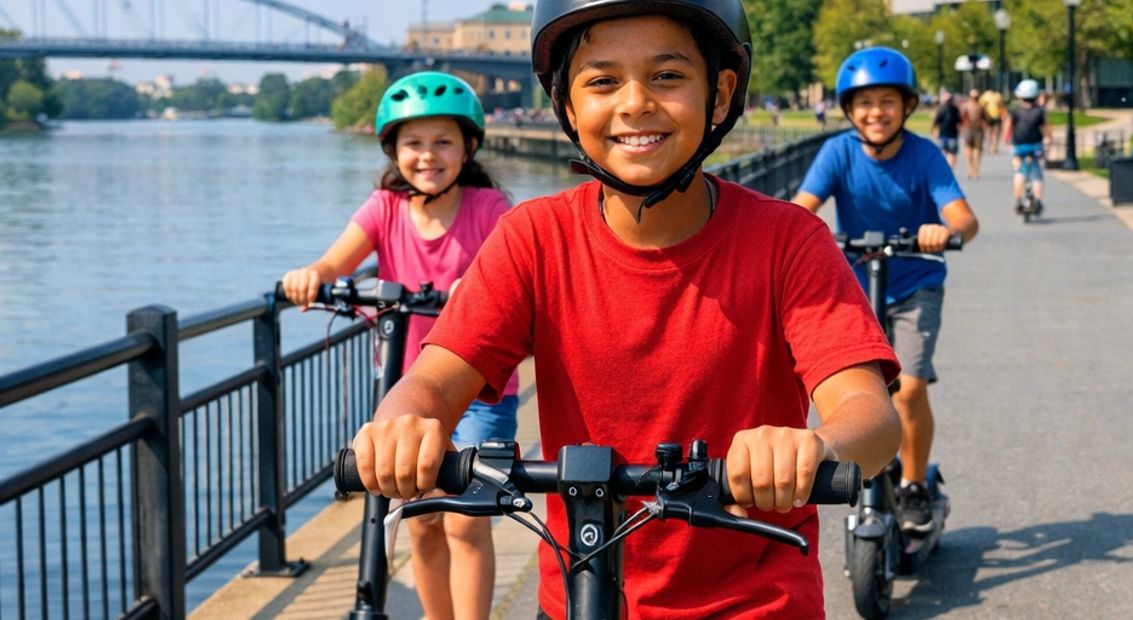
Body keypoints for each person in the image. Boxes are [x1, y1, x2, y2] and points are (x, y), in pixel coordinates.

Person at [349, 1, 905, 618]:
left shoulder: (789, 241)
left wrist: (816, 447)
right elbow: (432, 379)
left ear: (720, 95)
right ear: (565, 106)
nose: (635, 102)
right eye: (602, 81)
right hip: (580, 593)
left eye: (667, 76)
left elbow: (870, 416)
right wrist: (403, 424)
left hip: (754, 601)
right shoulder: (532, 238)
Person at [281, 71, 519, 620]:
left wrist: (476, 290)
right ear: (393, 149)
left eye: (443, 142)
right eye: (413, 143)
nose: (427, 156)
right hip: (407, 392)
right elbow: (336, 260)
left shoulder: (489, 210)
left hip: (482, 392)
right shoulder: (384, 208)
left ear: (469, 147)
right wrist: (311, 276)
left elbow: (509, 275)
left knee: (465, 520)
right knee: (423, 519)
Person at [791, 47, 979, 535]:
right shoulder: (838, 152)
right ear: (849, 110)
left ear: (908, 106)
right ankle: (877, 467)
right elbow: (801, 208)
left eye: (888, 101)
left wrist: (942, 230)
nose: (877, 112)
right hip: (855, 287)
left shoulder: (924, 154)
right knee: (863, 393)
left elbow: (963, 217)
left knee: (910, 390)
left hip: (917, 282)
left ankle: (915, 483)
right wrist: (794, 235)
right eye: (865, 103)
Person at [1003, 79, 1052, 214]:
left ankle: (1018, 200)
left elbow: (1007, 128)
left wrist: (1007, 140)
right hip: (1036, 146)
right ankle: (1038, 200)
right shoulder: (1040, 111)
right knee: (1037, 174)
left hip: (1019, 146)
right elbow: (1046, 129)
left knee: (1019, 173)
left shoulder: (1014, 111)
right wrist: (1049, 141)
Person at [930, 90, 961, 170]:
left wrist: (932, 130)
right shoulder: (955, 109)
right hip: (952, 134)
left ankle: (946, 169)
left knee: (943, 153)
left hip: (943, 134)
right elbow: (959, 122)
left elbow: (935, 121)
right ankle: (950, 169)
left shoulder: (940, 109)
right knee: (952, 153)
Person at [959, 88, 987, 180]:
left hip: (971, 130)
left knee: (973, 151)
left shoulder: (966, 105)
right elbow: (986, 119)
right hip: (974, 130)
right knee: (974, 152)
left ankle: (972, 171)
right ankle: (973, 171)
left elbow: (960, 118)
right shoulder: (980, 106)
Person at [979, 89, 1005, 154]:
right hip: (995, 116)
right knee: (995, 133)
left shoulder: (984, 96)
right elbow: (1001, 106)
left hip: (989, 117)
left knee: (989, 133)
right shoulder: (997, 96)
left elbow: (981, 107)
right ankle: (993, 147)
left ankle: (990, 147)